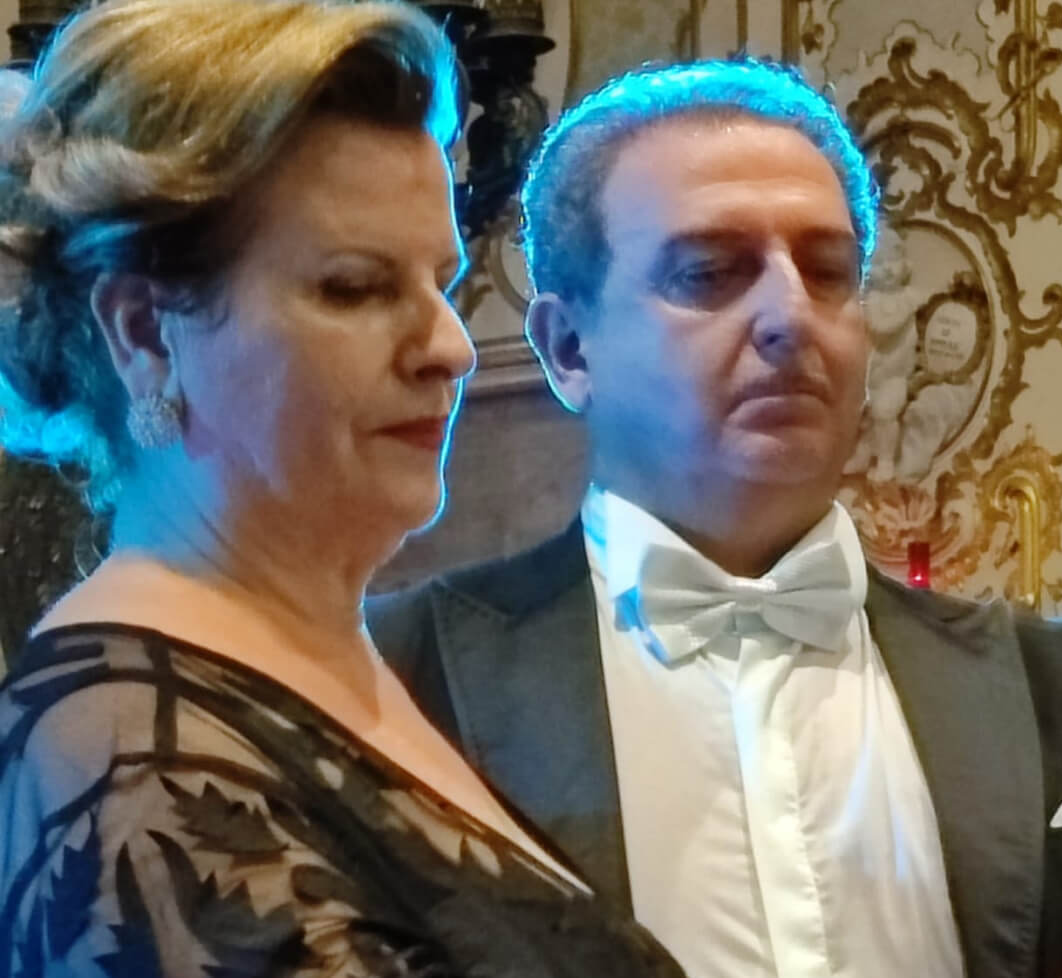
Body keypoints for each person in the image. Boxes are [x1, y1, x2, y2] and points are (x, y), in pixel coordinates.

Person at [368, 57, 1062, 978]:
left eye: (828, 271)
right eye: (710, 273)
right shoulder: (394, 683)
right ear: (568, 348)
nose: (791, 315)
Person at [0, 2, 687, 975]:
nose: (451, 347)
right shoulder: (136, 772)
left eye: (441, 283)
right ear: (146, 333)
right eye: (356, 287)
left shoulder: (312, 659)